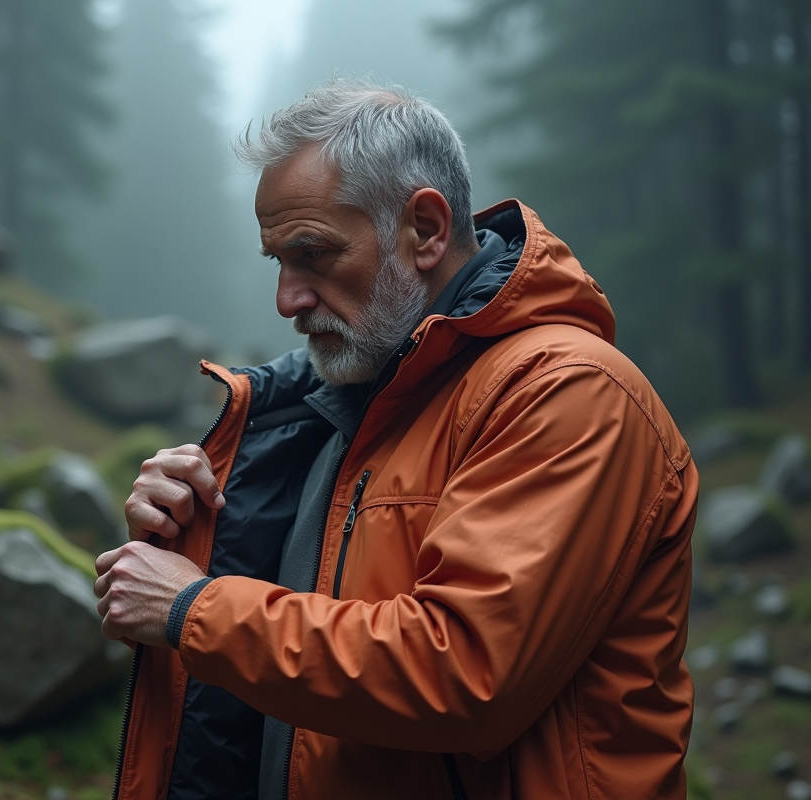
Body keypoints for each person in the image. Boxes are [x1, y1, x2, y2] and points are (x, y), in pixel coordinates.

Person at [93, 79, 698, 800]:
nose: (287, 298)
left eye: (313, 254)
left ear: (426, 230)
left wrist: (195, 608)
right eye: (278, 262)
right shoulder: (339, 404)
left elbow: (466, 677)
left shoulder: (569, 393)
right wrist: (182, 537)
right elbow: (281, 640)